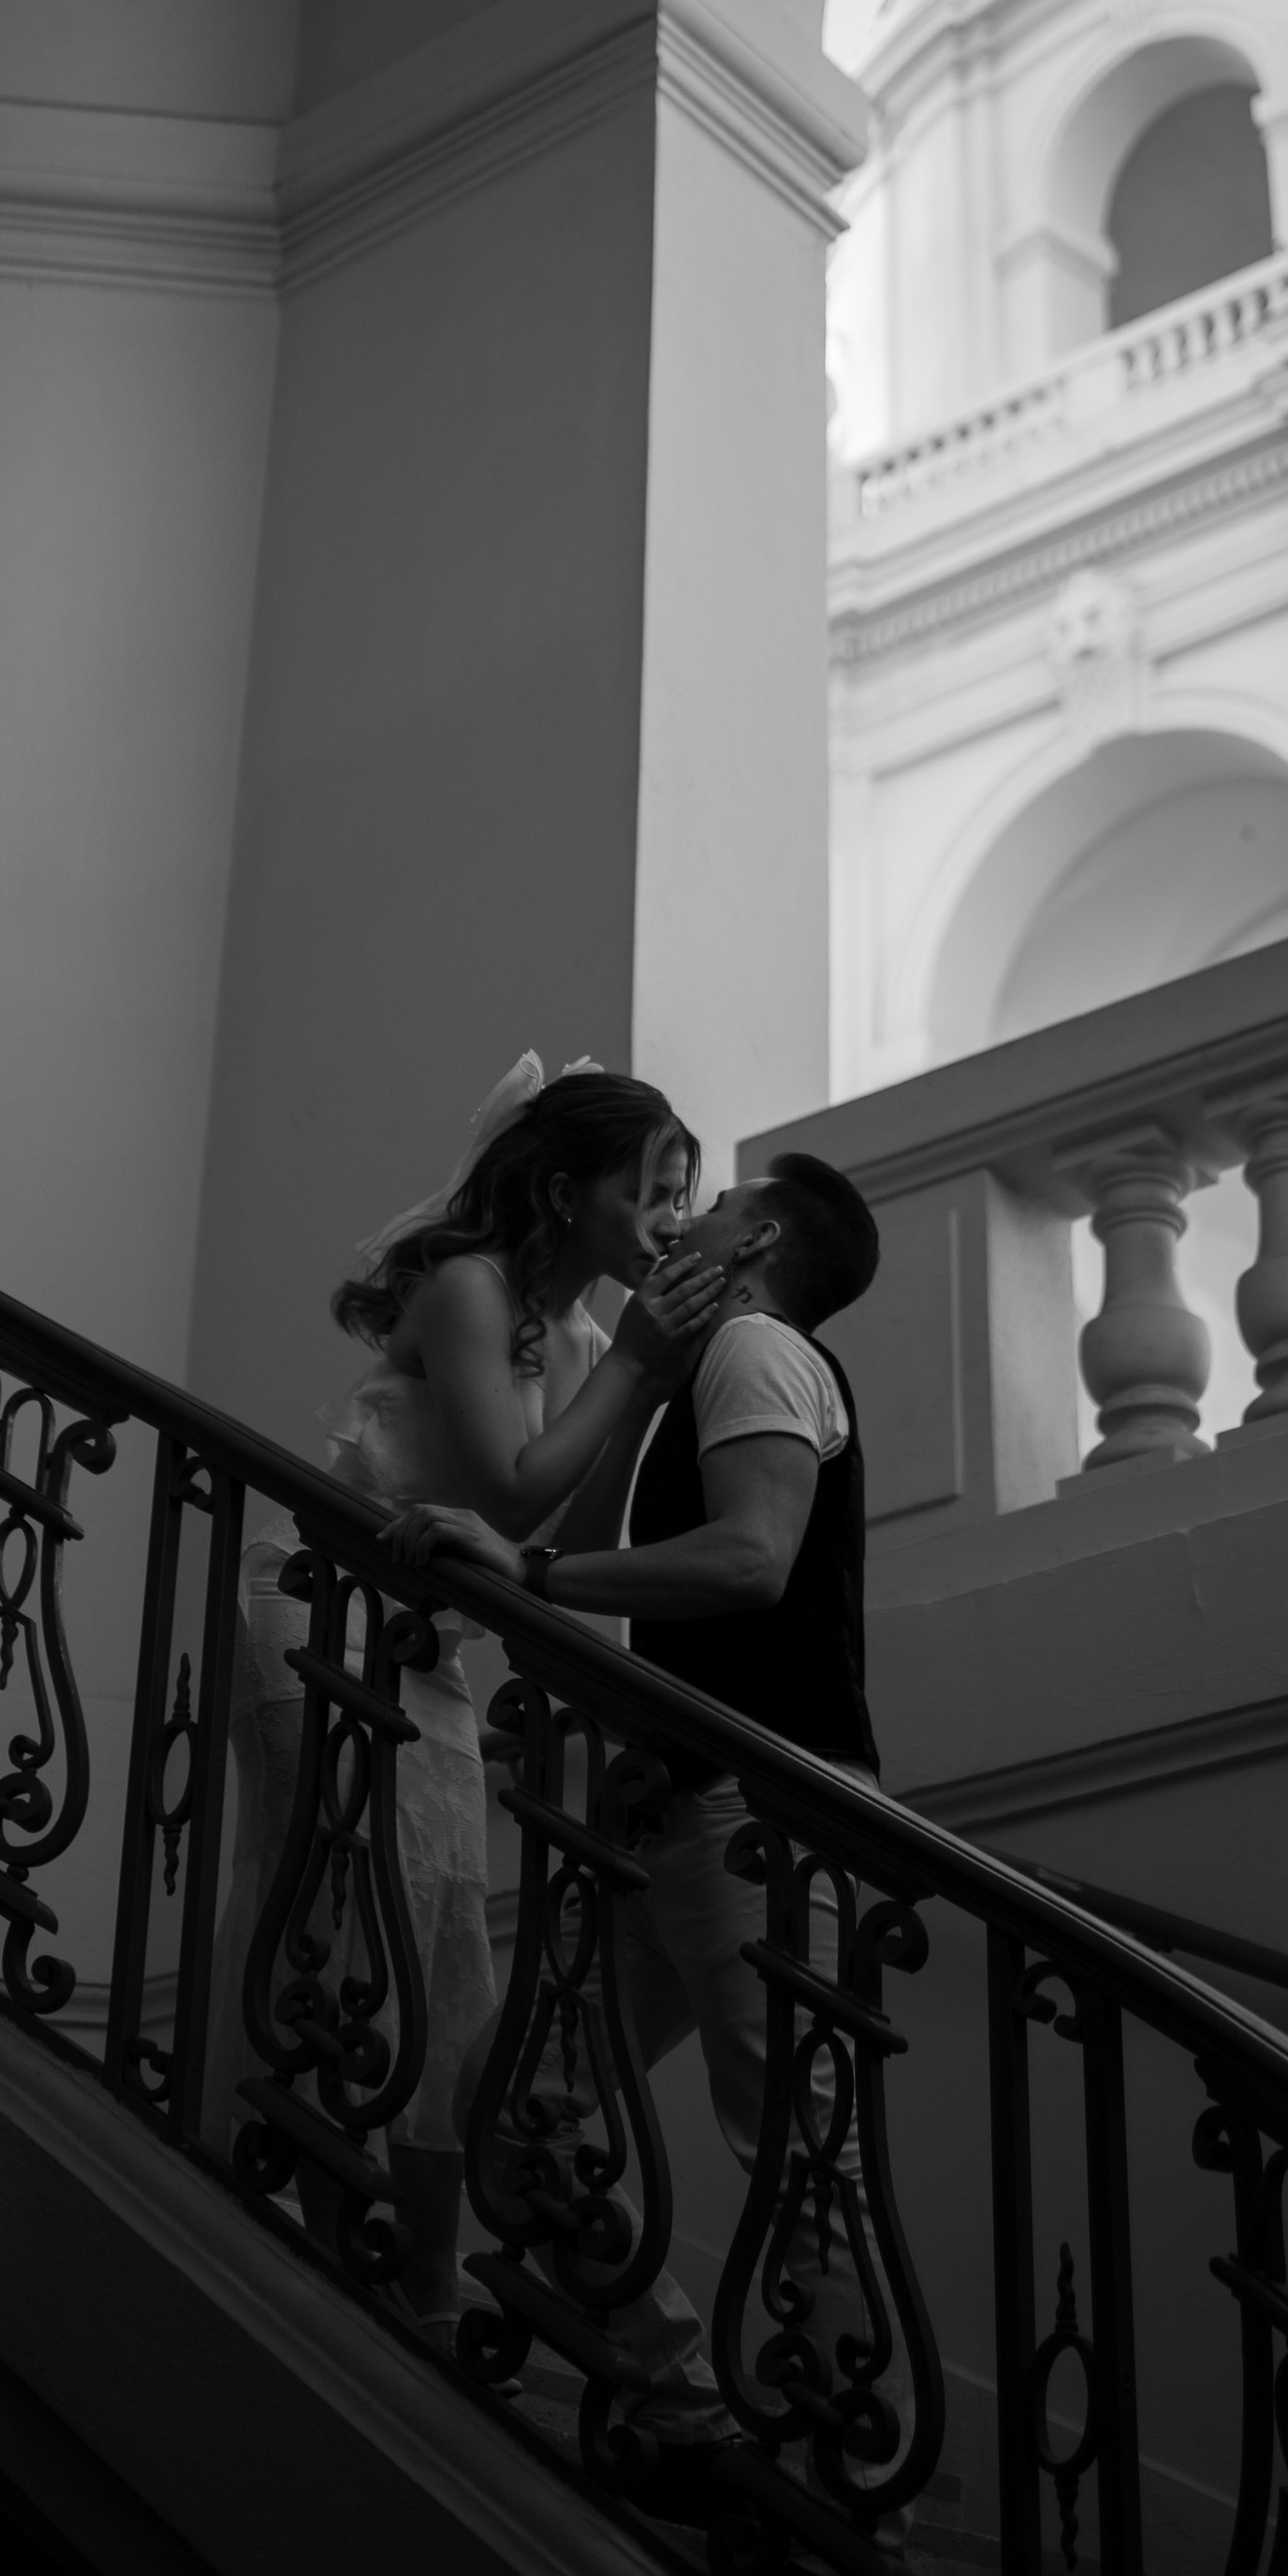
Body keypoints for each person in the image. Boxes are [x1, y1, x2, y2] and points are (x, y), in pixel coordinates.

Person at [392, 1147, 882, 2479]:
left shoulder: (763, 1352)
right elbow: (589, 1557)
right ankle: (681, 2401)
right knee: (521, 2100)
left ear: (760, 1236)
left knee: (797, 2154)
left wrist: (534, 1568)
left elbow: (751, 1558)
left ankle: (850, 2505)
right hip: (683, 1808)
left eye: (714, 1202)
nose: (686, 1217)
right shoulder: (699, 1375)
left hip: (767, 1814)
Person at [214, 1058, 722, 2329]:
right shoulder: (468, 1288)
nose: (669, 1220)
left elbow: (550, 1552)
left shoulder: (595, 1340)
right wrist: (642, 1376)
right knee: (336, 1933)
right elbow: (505, 1483)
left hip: (429, 1649)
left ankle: (421, 2296)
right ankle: (314, 2242)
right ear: (563, 1190)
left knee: (449, 1965)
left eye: (681, 1196)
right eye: (650, 1191)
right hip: (320, 1610)